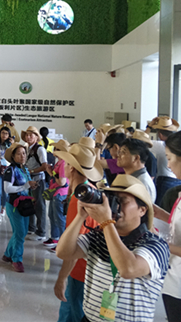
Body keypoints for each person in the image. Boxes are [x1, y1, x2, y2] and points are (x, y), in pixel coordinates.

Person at [56, 174, 170, 322]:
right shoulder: (99, 236)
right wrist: (80, 216)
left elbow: (128, 269)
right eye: (113, 199)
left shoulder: (156, 245)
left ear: (142, 210)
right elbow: (63, 252)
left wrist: (106, 222)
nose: (115, 206)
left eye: (122, 201)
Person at [151, 130, 181, 321]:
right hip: (177, 282)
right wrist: (162, 215)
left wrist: (166, 246)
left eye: (170, 158)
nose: (168, 165)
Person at [53, 137, 103, 322]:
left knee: (73, 314)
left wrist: (62, 277)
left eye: (66, 163)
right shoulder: (89, 190)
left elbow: (73, 246)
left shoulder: (78, 200)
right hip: (89, 268)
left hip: (80, 271)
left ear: (72, 168)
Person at [1, 142, 37, 273]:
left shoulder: (24, 169)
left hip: (25, 205)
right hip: (14, 205)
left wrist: (31, 186)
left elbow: (26, 186)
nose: (22, 156)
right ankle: (16, 259)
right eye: (19, 154)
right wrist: (25, 186)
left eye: (24, 153)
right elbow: (7, 189)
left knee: (21, 232)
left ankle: (8, 254)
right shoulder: (10, 170)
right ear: (13, 156)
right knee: (20, 233)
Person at [147, 117, 181, 205]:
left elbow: (140, 141)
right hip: (179, 180)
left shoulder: (160, 145)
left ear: (160, 134)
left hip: (165, 181)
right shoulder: (180, 145)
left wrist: (149, 127)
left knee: (160, 208)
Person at [22, 126, 48, 241]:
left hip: (38, 180)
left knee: (39, 205)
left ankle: (41, 232)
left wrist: (31, 171)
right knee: (30, 203)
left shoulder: (39, 149)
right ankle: (31, 227)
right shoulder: (27, 148)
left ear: (37, 137)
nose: (28, 137)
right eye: (27, 135)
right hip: (29, 179)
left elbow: (44, 166)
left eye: (31, 135)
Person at [43, 139, 70, 250]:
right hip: (55, 192)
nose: (55, 150)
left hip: (60, 193)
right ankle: (55, 237)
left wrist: (51, 173)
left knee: (59, 219)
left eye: (58, 149)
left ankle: (63, 243)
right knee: (52, 215)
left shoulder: (63, 163)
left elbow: (62, 182)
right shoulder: (59, 162)